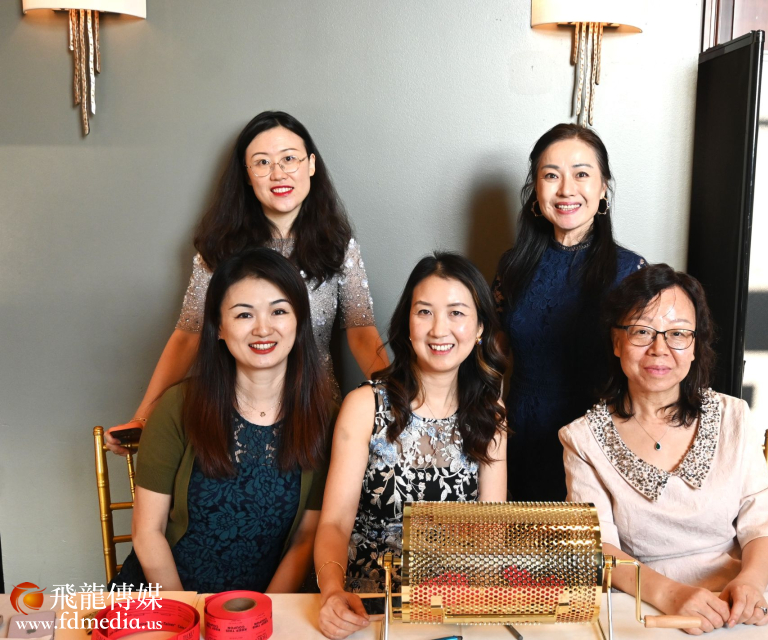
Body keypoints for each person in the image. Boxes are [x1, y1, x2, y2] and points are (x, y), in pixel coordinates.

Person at [106, 110, 387, 454]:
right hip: (234, 415)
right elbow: (188, 336)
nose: (278, 173)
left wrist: (399, 403)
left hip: (315, 412)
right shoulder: (221, 249)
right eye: (262, 162)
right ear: (247, 176)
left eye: (289, 159)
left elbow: (361, 333)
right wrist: (143, 417)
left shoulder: (339, 247)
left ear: (311, 164)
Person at [559, 264, 768, 636]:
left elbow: (763, 524)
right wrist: (670, 593)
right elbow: (598, 547)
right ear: (617, 342)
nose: (659, 349)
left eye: (678, 333)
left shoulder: (733, 416)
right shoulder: (582, 439)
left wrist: (750, 583)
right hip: (648, 605)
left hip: (743, 602)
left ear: (695, 345)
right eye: (642, 331)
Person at [111, 248, 333, 593]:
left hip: (261, 609)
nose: (263, 329)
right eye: (244, 315)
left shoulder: (325, 418)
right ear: (218, 328)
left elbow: (305, 539)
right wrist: (187, 614)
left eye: (279, 311)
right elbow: (147, 532)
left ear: (299, 322)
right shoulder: (179, 406)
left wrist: (264, 615)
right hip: (165, 599)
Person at [314, 253, 508, 640]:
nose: (439, 329)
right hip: (368, 612)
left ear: (480, 327)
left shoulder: (490, 412)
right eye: (424, 312)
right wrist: (332, 592)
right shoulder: (365, 406)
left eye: (456, 313)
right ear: (407, 323)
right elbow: (334, 523)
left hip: (454, 613)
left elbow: (492, 527)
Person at [493, 123, 645, 501]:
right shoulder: (512, 266)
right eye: (551, 175)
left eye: (581, 174)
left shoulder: (631, 272)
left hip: (597, 446)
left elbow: (646, 372)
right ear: (536, 189)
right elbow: (493, 356)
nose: (565, 190)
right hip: (519, 438)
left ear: (603, 187)